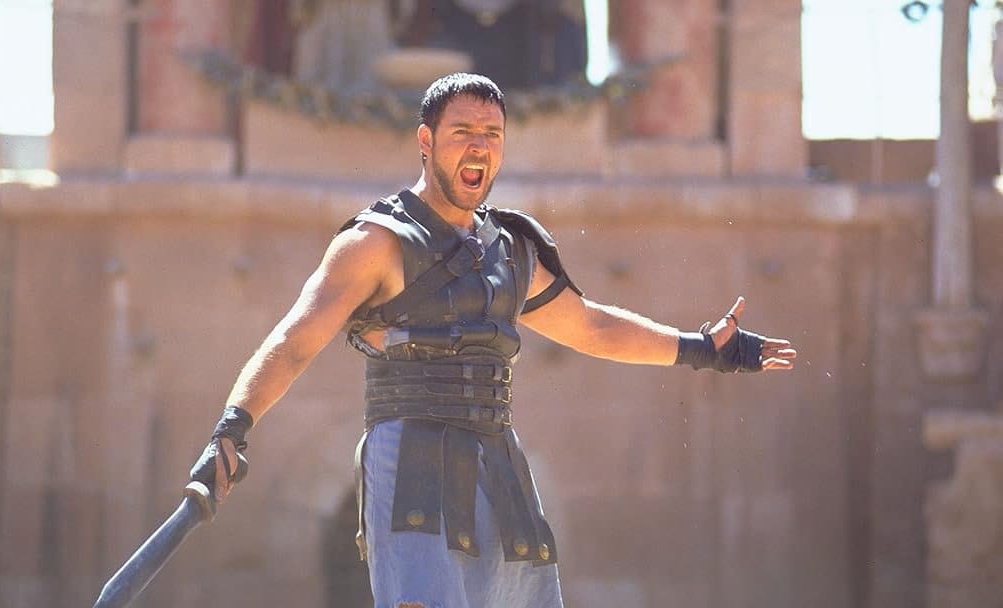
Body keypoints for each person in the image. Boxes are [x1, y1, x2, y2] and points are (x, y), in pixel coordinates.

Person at [189, 73, 797, 608]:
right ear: (426, 141)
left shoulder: (510, 250)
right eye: (462, 132)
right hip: (411, 463)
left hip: (498, 464)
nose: (479, 145)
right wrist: (231, 429)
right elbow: (296, 339)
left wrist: (702, 348)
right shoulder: (374, 244)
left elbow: (591, 325)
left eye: (492, 134)